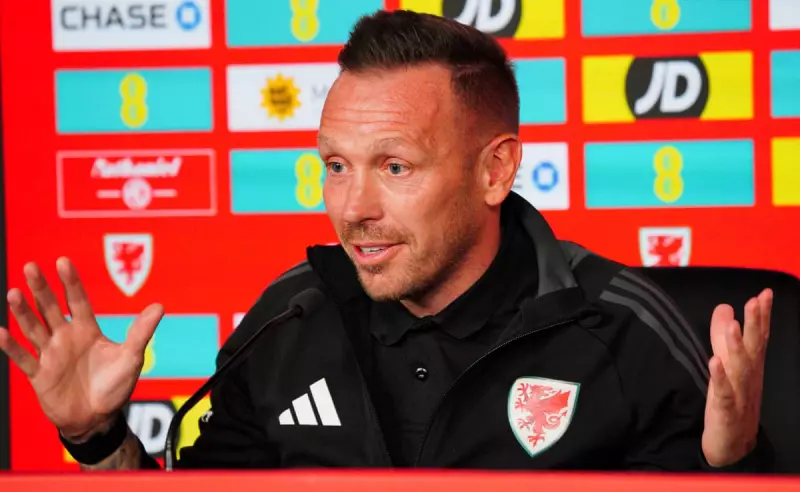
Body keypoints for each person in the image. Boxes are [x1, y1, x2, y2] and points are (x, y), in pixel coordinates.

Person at [0, 10, 774, 472]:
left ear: (495, 170)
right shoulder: (285, 323)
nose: (353, 208)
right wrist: (95, 437)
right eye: (335, 166)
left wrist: (733, 467)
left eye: (394, 167)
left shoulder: (625, 331)